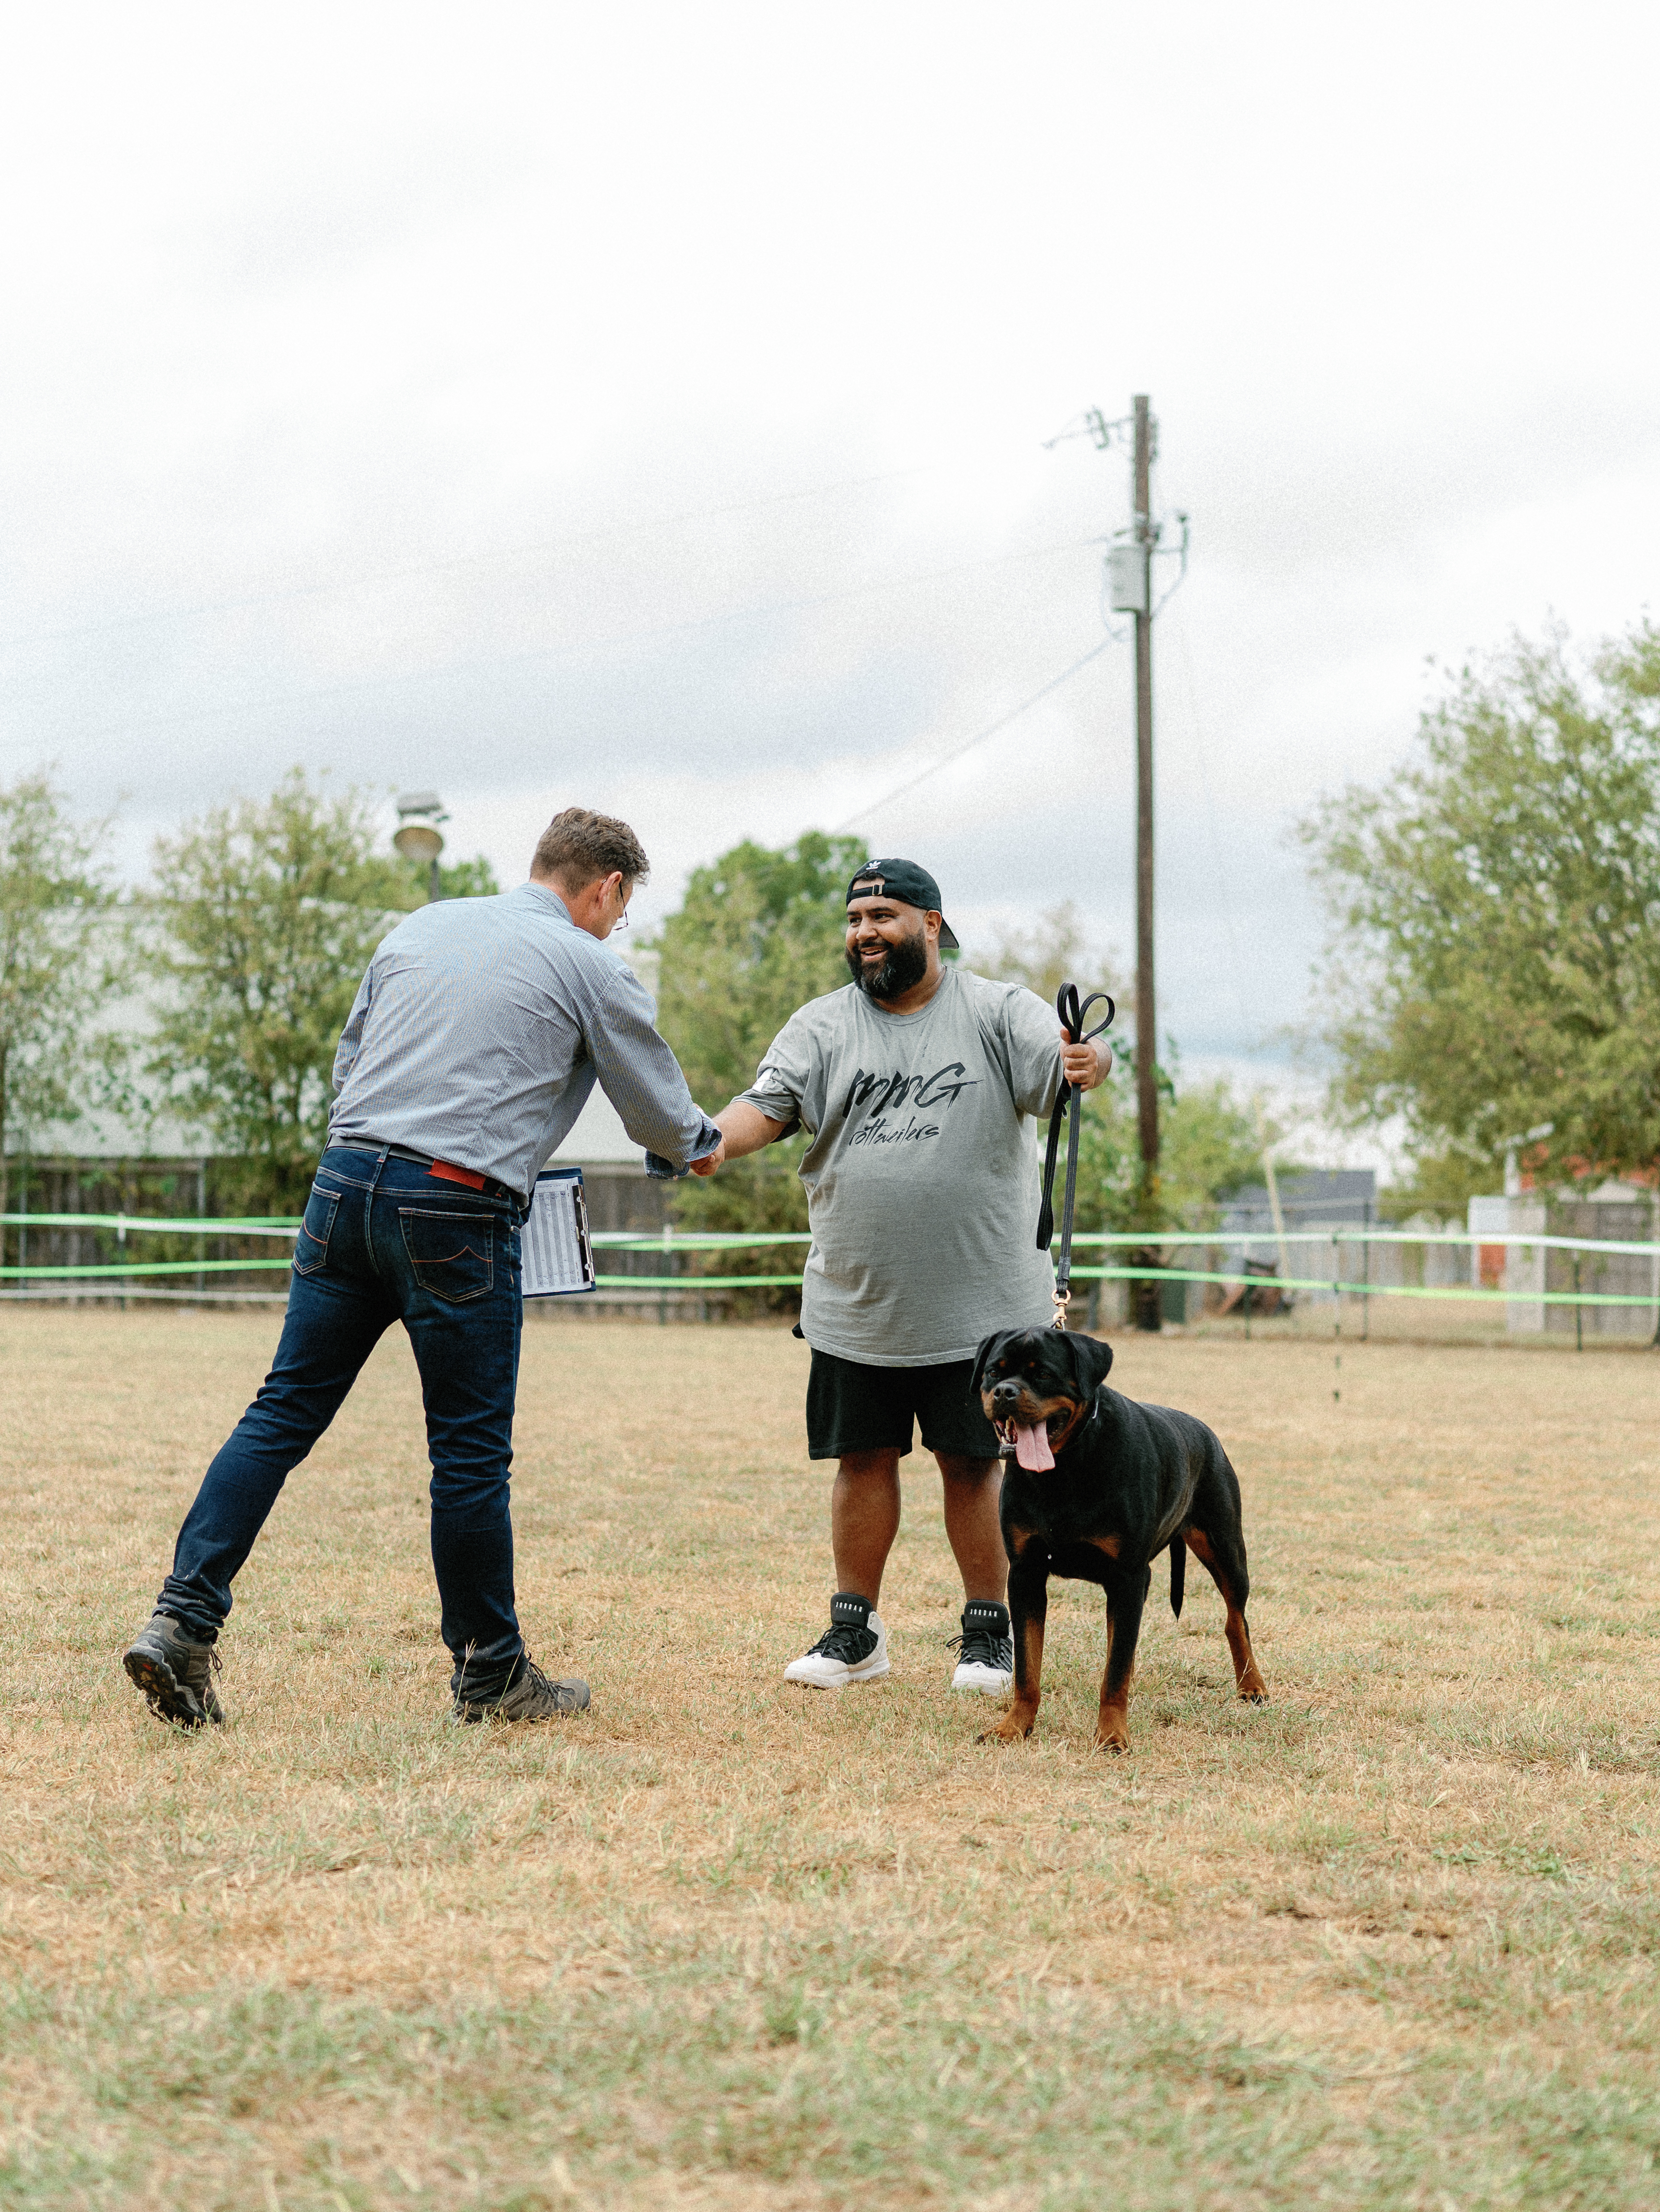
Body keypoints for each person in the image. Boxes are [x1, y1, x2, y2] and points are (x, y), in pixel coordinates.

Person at [122, 808, 724, 1730]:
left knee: (281, 1410)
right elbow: (656, 1110)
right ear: (604, 887)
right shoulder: (589, 961)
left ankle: (183, 1618)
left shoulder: (420, 925)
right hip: (455, 1205)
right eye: (622, 907)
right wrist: (700, 1145)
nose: (617, 924)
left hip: (345, 1180)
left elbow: (349, 1061)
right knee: (469, 1452)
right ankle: (491, 1675)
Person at [712, 858, 1111, 1695]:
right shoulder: (821, 1026)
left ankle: (988, 1636)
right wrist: (707, 1139)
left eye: (884, 915)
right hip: (860, 1301)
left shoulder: (998, 1009)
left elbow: (1062, 1068)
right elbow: (768, 1105)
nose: (865, 932)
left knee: (973, 1465)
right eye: (855, 918)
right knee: (861, 1460)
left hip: (986, 1312)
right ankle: (855, 1634)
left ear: (932, 923)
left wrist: (1090, 1062)